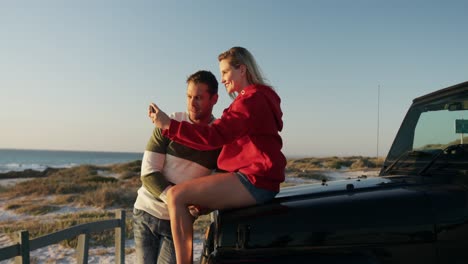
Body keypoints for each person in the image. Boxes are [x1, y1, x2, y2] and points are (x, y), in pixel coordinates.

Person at [148, 46, 286, 264]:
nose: (222, 79)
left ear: (241, 69)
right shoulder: (255, 98)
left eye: (225, 72)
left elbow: (214, 136)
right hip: (258, 180)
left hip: (254, 180)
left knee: (176, 196)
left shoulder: (250, 101)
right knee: (186, 202)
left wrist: (168, 125)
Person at [133, 70, 221, 264]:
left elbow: (217, 185)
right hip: (146, 212)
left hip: (180, 224)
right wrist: (177, 202)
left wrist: (199, 208)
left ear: (214, 99)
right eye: (189, 96)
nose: (192, 103)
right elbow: (148, 173)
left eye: (198, 97)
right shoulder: (169, 122)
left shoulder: (218, 137)